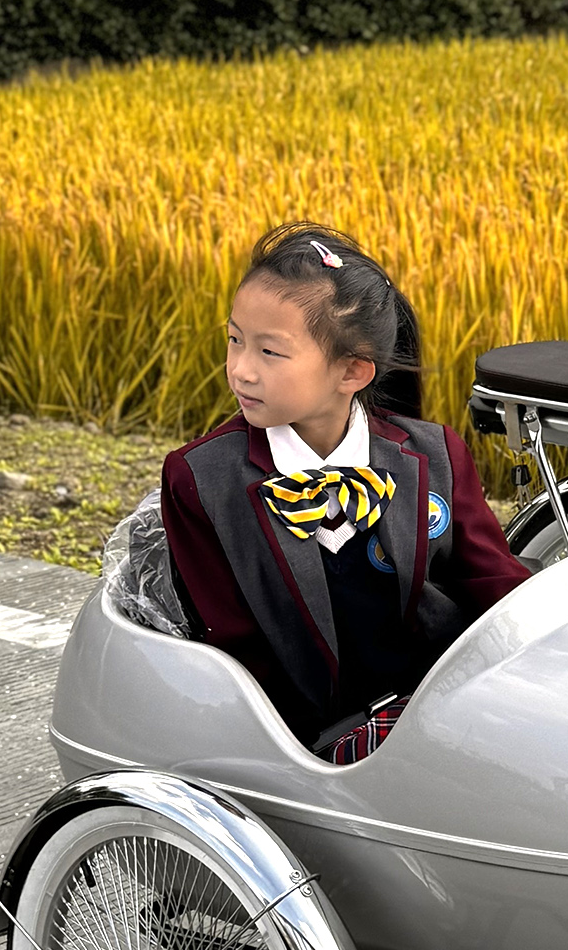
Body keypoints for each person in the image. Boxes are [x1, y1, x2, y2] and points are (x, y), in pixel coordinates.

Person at [161, 223, 529, 761]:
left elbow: (494, 585)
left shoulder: (433, 455)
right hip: (300, 743)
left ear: (352, 371)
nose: (240, 370)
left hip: (440, 715)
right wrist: (316, 752)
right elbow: (230, 646)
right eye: (234, 339)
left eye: (270, 352)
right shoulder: (200, 480)